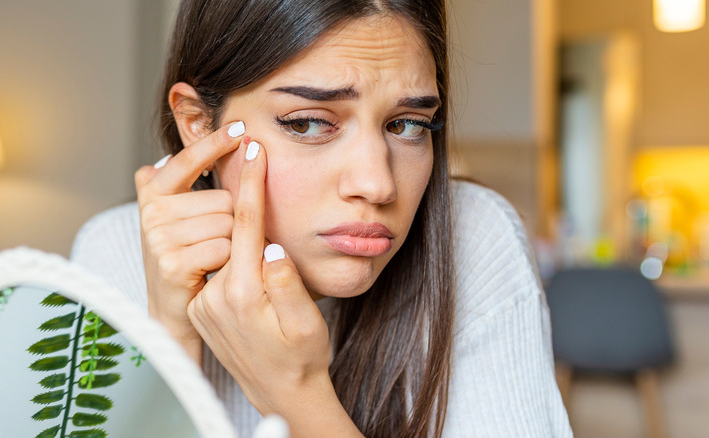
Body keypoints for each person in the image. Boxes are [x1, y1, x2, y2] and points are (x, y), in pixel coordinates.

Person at [71, 0, 573, 437]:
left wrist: (297, 394)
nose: (378, 184)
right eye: (309, 123)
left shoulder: (474, 236)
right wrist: (170, 343)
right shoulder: (114, 252)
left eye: (407, 125)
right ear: (199, 124)